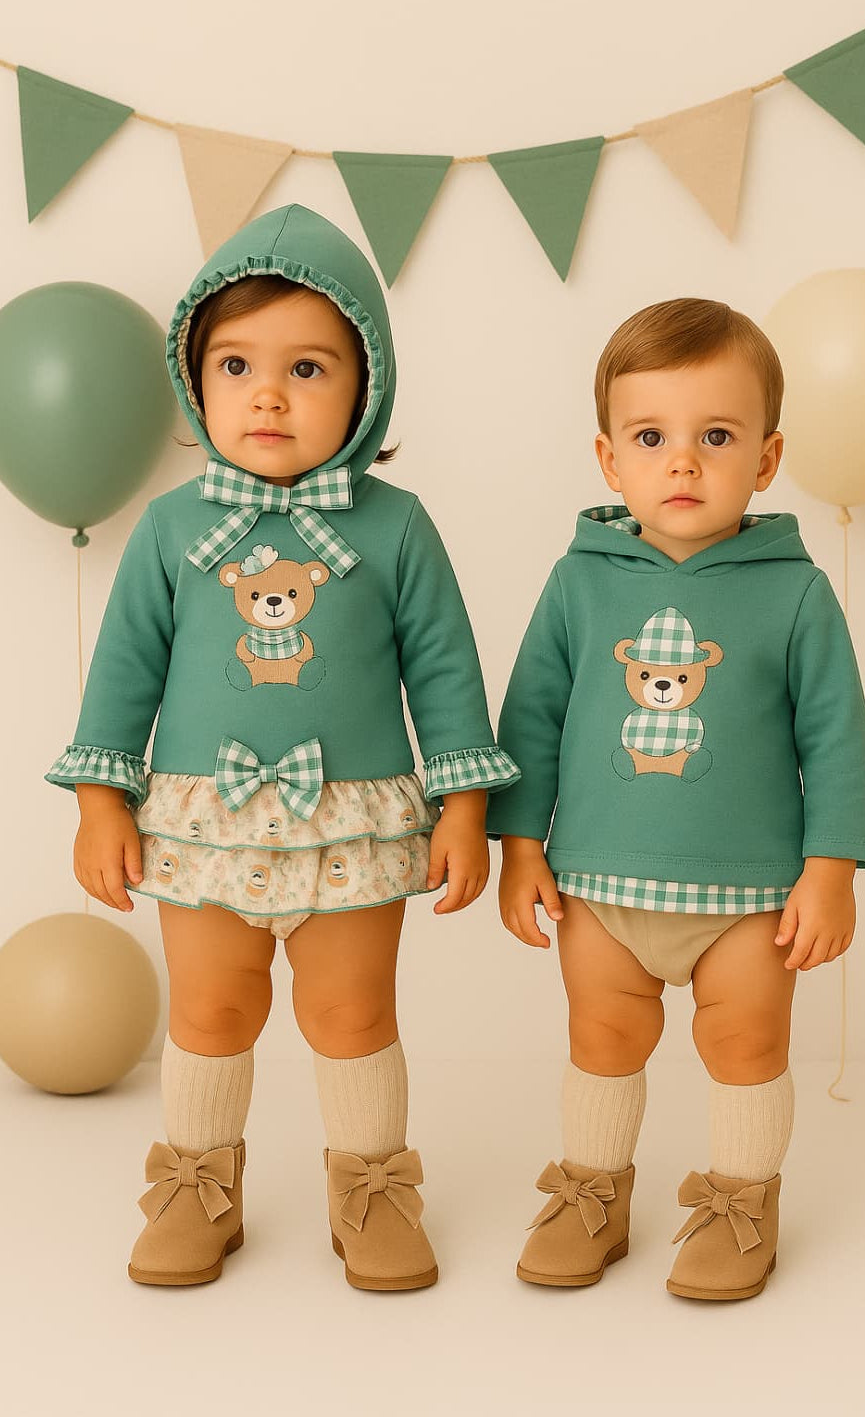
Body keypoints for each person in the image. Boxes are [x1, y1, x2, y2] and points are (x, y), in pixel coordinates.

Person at [47, 203, 518, 1291]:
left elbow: (445, 671)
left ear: (367, 388)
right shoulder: (170, 530)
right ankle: (195, 1189)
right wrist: (101, 801)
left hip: (351, 817)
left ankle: (373, 1192)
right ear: (195, 380)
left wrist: (464, 807)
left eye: (306, 368)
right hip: (202, 818)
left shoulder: (396, 527)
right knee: (211, 1011)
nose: (267, 395)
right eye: (236, 366)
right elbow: (123, 672)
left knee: (353, 1014)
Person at [487, 297, 865, 1300]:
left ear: (767, 457)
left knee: (744, 1041)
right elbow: (531, 719)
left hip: (749, 894)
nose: (684, 464)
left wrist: (830, 869)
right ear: (609, 458)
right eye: (652, 437)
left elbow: (835, 737)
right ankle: (592, 1193)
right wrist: (520, 847)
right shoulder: (578, 583)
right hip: (599, 885)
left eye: (717, 437)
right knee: (602, 1038)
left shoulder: (794, 593)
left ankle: (742, 1202)